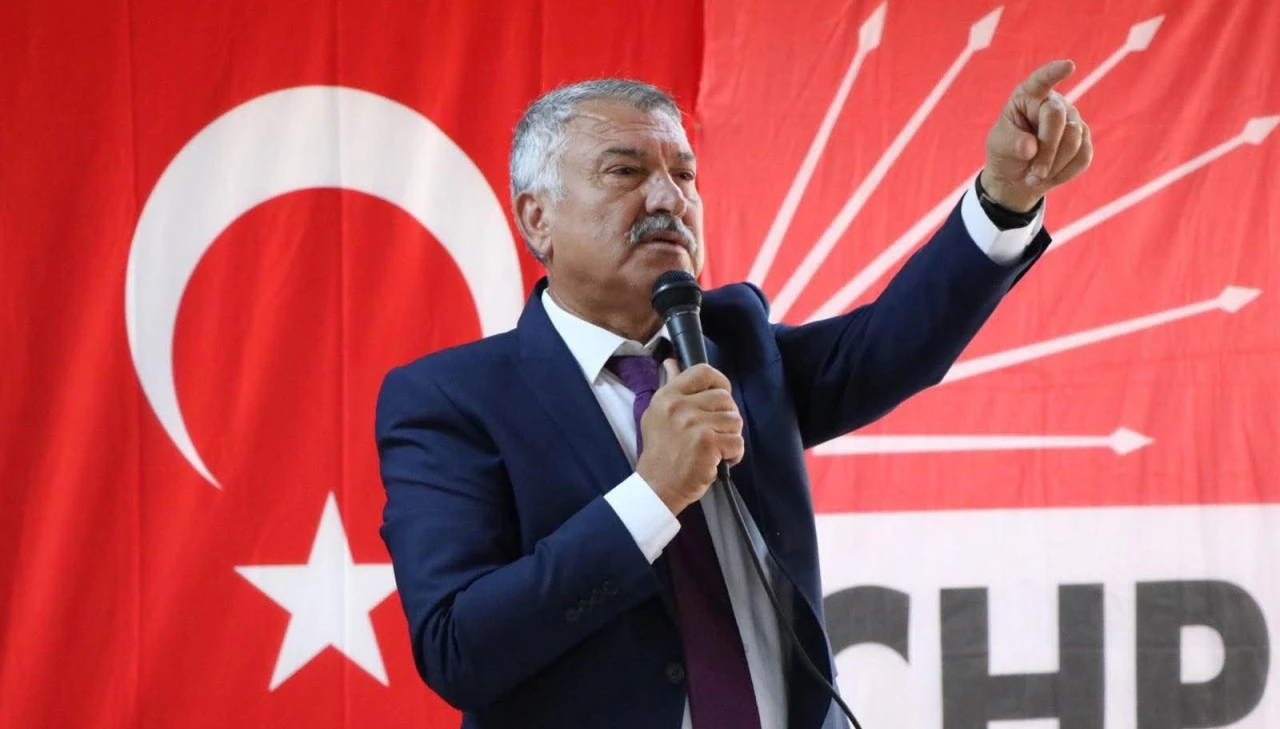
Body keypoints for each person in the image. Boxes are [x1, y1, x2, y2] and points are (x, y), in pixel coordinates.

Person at [375, 61, 1092, 729]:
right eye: (626, 171)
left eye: (684, 174)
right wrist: (652, 494)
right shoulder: (451, 401)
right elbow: (457, 648)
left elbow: (891, 346)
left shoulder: (734, 343)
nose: (669, 198)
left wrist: (1004, 200)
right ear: (538, 218)